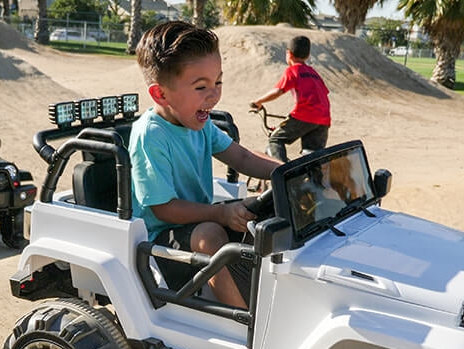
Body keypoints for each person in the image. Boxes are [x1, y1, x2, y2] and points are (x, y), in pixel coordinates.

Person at [130, 21, 282, 309]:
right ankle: (241, 318)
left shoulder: (200, 123)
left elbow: (243, 157)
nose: (214, 95)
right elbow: (163, 208)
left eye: (218, 82)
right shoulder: (151, 134)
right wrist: (220, 214)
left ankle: (266, 300)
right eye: (201, 87)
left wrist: (288, 171)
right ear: (160, 94)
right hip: (159, 239)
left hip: (200, 219)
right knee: (211, 234)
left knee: (263, 212)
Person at [250, 35, 331, 162]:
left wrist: (258, 102)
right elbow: (324, 94)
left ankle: (281, 172)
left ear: (289, 53)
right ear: (308, 55)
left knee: (275, 140)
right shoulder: (314, 73)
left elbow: (278, 91)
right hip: (324, 119)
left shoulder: (293, 70)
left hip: (305, 114)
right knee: (312, 157)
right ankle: (314, 180)